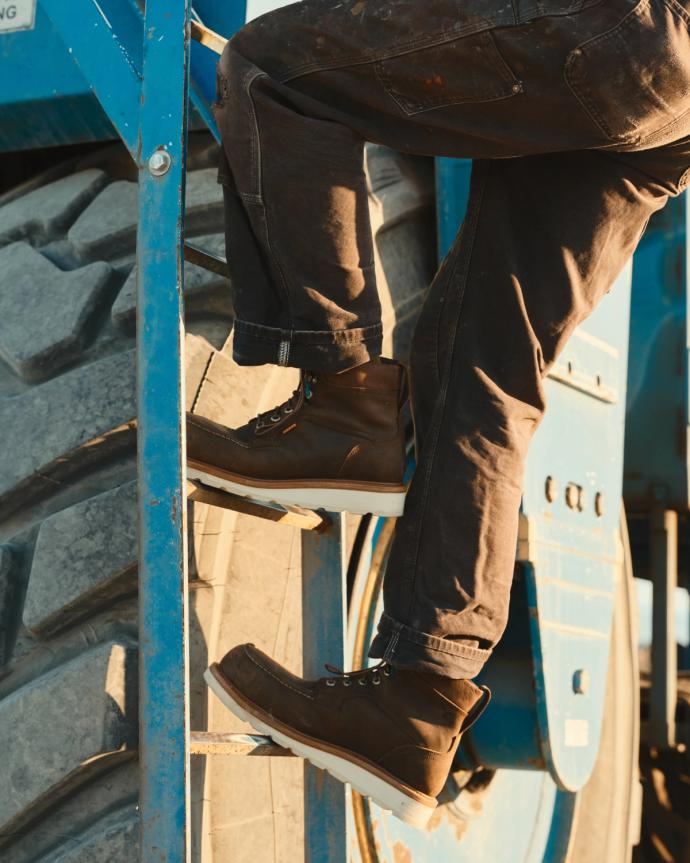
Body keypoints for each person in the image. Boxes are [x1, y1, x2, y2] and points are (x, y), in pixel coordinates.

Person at [186, 0, 690, 827]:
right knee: (486, 365)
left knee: (274, 68)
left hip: (612, 31)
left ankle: (344, 400)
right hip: (663, 91)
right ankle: (418, 703)